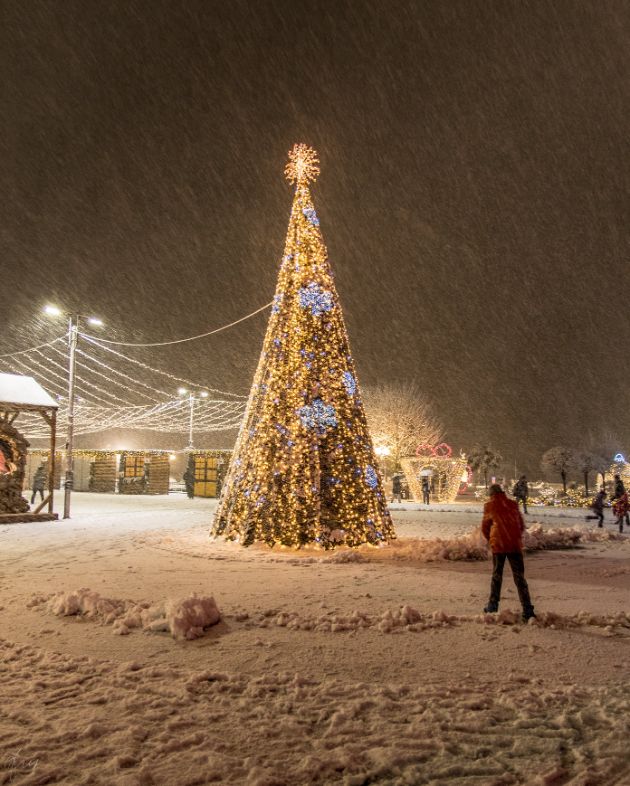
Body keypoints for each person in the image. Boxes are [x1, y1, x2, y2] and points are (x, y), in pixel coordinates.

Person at [481, 483, 535, 622]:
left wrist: (492, 539)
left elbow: (485, 528)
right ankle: (527, 609)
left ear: (491, 494)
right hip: (514, 545)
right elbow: (521, 525)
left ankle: (493, 606)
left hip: (499, 545)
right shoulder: (512, 504)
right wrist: (513, 537)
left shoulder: (489, 506)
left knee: (497, 576)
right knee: (519, 578)